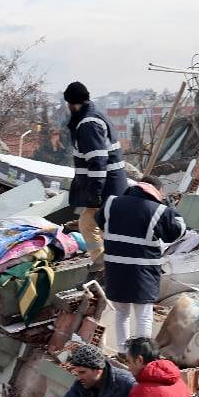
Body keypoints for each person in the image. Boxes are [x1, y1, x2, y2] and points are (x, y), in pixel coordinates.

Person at [96, 178, 185, 342]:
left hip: (116, 269)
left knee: (122, 313)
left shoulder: (111, 202)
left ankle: (123, 351)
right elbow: (177, 232)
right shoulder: (159, 210)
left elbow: (100, 222)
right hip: (143, 272)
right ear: (157, 190)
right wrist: (171, 209)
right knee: (144, 315)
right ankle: (140, 355)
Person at [64, 82, 127, 272]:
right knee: (101, 227)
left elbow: (98, 161)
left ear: (72, 104)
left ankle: (104, 267)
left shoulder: (88, 124)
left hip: (107, 187)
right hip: (112, 185)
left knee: (89, 225)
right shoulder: (96, 116)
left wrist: (95, 194)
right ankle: (106, 264)